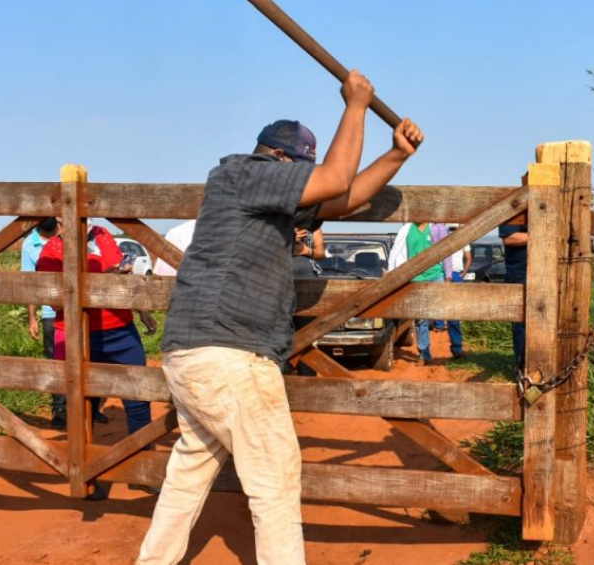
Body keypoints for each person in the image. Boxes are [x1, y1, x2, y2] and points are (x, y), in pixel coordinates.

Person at [137, 70, 424, 565]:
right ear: (282, 162)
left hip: (199, 354)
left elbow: (343, 196)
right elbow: (334, 178)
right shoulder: (245, 173)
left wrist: (395, 154)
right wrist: (355, 105)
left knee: (190, 471)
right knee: (275, 479)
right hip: (230, 355)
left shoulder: (257, 195)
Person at [36, 224, 158, 441]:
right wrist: (101, 281)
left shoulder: (102, 234)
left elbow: (125, 276)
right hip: (81, 335)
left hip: (121, 330)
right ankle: (84, 461)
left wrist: (142, 310)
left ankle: (142, 456)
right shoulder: (51, 253)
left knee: (138, 395)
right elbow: (56, 303)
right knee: (84, 401)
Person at [20, 217, 91, 429]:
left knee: (86, 356)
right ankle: (60, 411)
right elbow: (31, 283)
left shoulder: (73, 237)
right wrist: (33, 317)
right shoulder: (29, 245)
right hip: (52, 312)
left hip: (81, 309)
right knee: (57, 362)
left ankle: (89, 407)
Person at [389, 221, 453, 365]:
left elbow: (446, 252)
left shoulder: (437, 227)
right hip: (415, 278)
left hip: (436, 275)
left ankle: (457, 347)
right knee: (420, 318)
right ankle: (424, 354)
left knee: (448, 311)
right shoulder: (407, 229)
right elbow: (398, 253)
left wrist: (448, 276)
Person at [499, 223, 528, 370]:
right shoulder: (513, 209)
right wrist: (544, 235)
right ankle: (522, 368)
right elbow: (509, 238)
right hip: (521, 274)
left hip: (547, 272)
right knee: (521, 325)